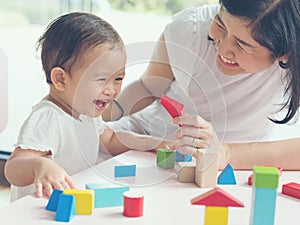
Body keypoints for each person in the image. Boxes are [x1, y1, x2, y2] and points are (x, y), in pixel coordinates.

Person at [103, 0, 300, 169]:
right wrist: (91, 113)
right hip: (150, 141)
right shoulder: (190, 30)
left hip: (236, 164)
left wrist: (226, 153)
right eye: (220, 24)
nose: (222, 48)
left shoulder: (293, 59)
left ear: (284, 53)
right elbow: (149, 88)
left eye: (242, 45)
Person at [4, 12, 177, 202]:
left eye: (118, 79)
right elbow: (13, 168)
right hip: (37, 210)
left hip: (72, 202)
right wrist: (39, 166)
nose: (111, 90)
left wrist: (149, 143)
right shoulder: (48, 118)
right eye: (102, 80)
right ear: (61, 79)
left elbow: (110, 139)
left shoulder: (86, 111)